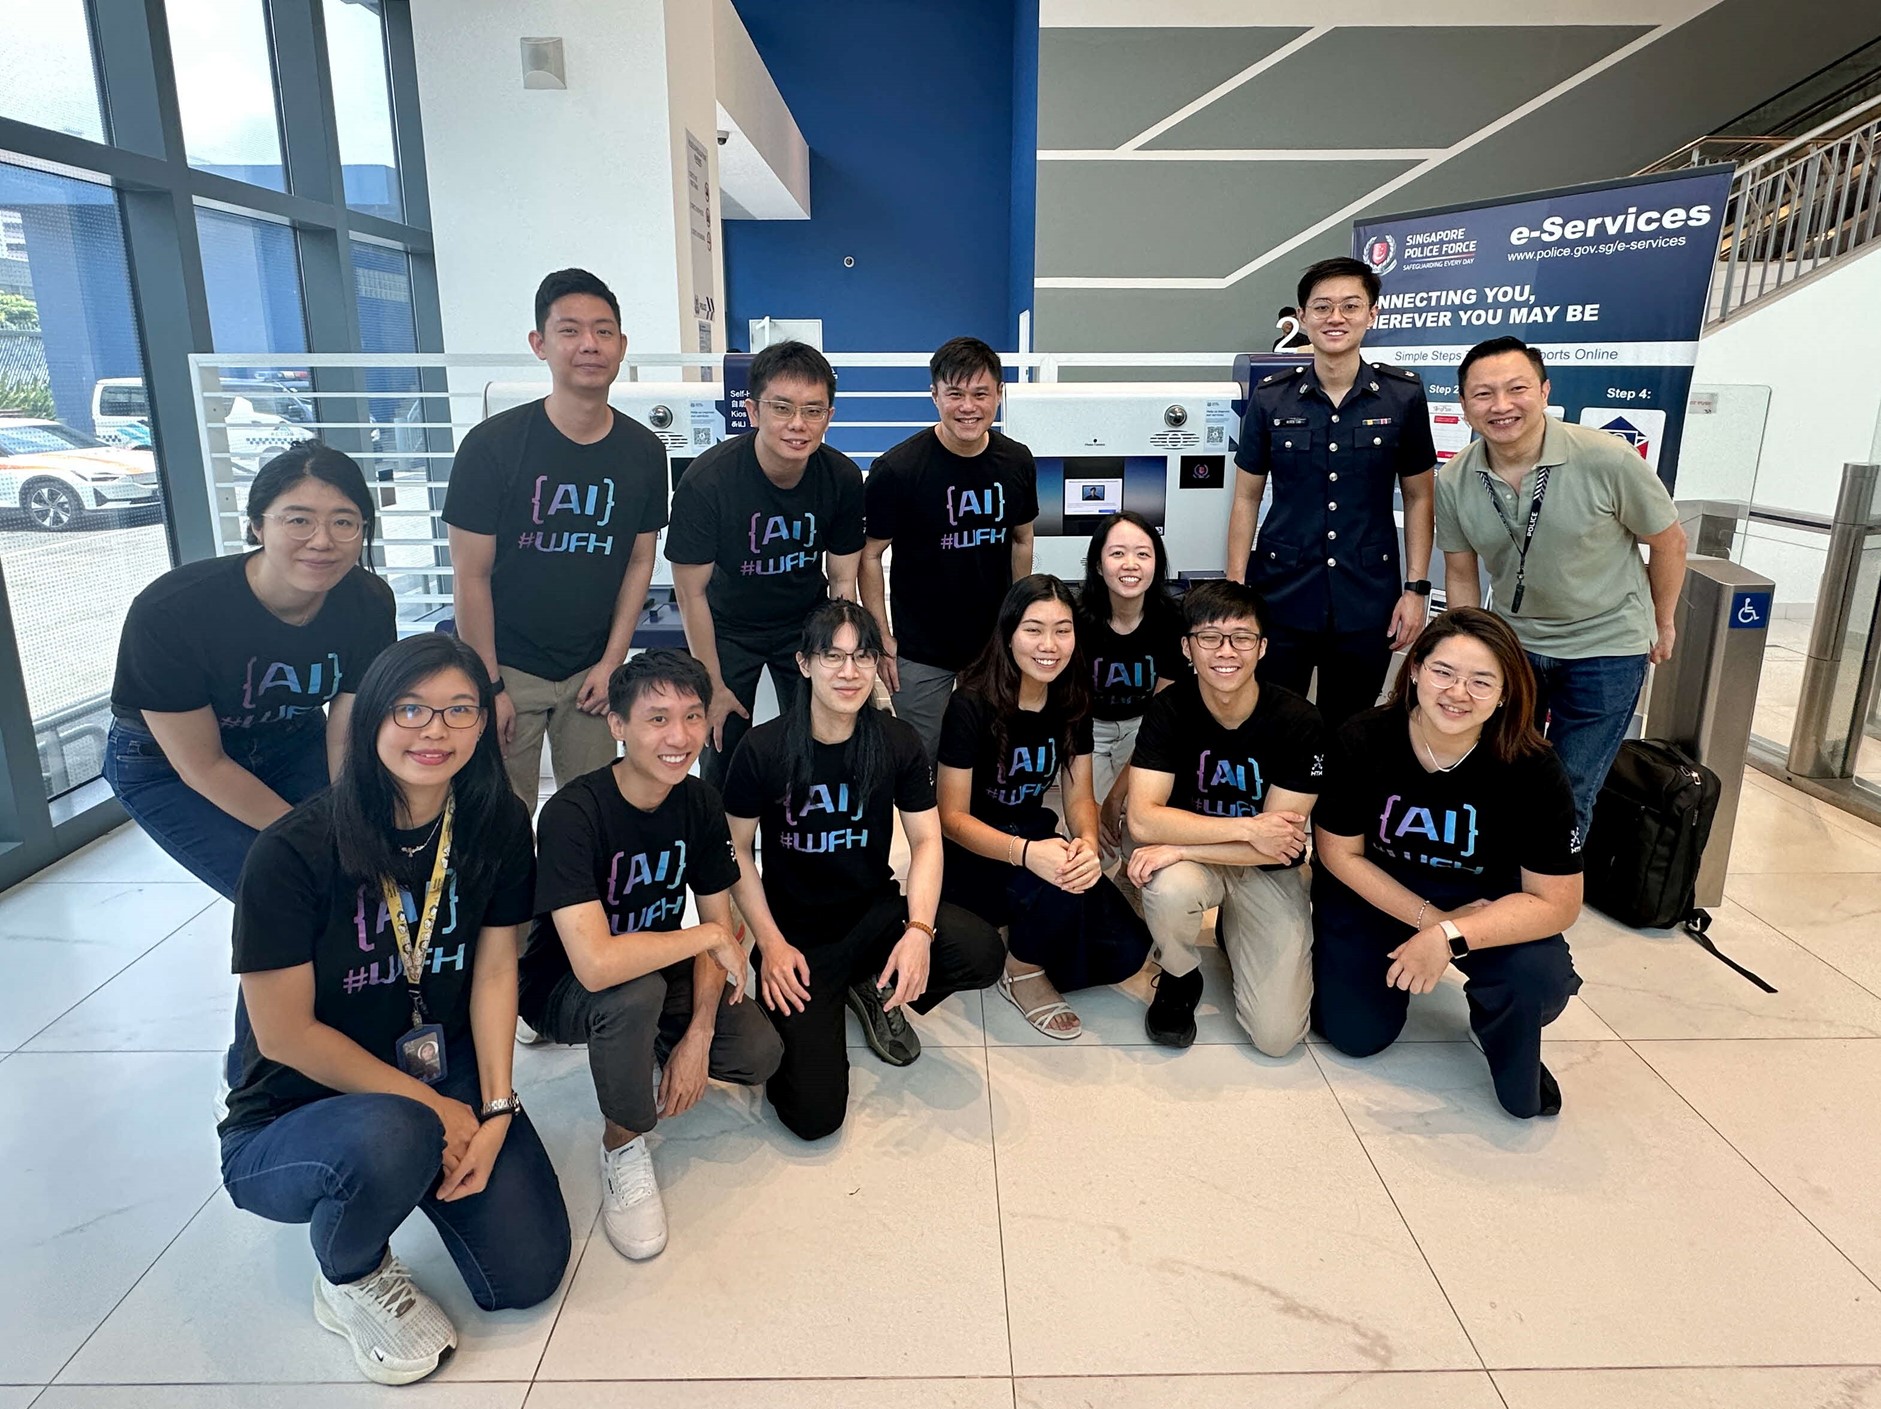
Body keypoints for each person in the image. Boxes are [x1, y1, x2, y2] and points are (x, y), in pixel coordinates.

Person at [218, 633, 568, 1386]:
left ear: (485, 723)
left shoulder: (495, 821)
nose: (433, 730)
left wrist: (497, 1104)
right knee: (395, 1130)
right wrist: (432, 1108)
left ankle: (406, 1153)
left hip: (441, 1063)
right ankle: (348, 1271)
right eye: (411, 708)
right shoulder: (293, 850)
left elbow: (498, 965)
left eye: (457, 710)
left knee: (526, 1274)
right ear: (372, 715)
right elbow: (282, 1032)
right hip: (294, 1104)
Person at [108, 441, 396, 1087]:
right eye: (298, 518)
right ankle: (254, 1090)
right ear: (256, 524)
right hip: (166, 764)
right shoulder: (175, 610)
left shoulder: (366, 602)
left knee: (346, 889)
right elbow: (202, 765)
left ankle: (334, 1046)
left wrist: (350, 818)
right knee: (284, 897)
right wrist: (311, 840)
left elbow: (347, 726)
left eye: (344, 521)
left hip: (293, 741)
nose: (322, 539)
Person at [518, 650, 781, 1262]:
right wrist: (708, 939)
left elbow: (719, 923)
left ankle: (649, 1043)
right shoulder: (571, 813)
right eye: (657, 719)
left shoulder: (697, 802)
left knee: (757, 1053)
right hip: (561, 985)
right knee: (631, 994)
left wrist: (697, 1035)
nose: (680, 737)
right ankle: (621, 1142)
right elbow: (596, 965)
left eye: (692, 717)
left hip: (652, 965)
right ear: (617, 725)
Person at [724, 601, 1004, 1140]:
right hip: (798, 940)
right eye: (832, 656)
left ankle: (875, 985)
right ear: (804, 664)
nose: (849, 672)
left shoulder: (895, 742)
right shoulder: (762, 749)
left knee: (981, 950)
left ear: (877, 664)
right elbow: (735, 850)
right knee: (814, 1118)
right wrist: (771, 944)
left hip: (873, 916)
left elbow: (925, 840)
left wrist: (919, 932)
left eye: (862, 657)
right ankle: (841, 994)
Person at [1311, 608, 1584, 1119]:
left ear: (1506, 692)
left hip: (1485, 908)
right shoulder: (1362, 738)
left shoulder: (1532, 766)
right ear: (1415, 669)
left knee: (1536, 983)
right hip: (1378, 898)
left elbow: (1559, 902)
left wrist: (1450, 936)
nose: (1458, 693)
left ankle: (1499, 1021)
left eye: (1482, 681)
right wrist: (1431, 922)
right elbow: (1337, 852)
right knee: (1355, 1035)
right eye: (1443, 672)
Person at [1435, 336, 1687, 838]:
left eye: (1517, 388)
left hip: (1607, 647)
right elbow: (1462, 572)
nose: (1501, 406)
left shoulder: (1606, 459)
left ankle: (1548, 906)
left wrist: (1662, 620)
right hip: (1515, 647)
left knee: (1572, 783)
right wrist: (1466, 648)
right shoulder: (1455, 479)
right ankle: (1500, 883)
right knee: (1503, 770)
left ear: (1545, 391)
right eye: (1483, 394)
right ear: (1464, 406)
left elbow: (1669, 541)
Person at [444, 267, 669, 804]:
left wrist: (613, 661)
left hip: (591, 672)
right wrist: (488, 685)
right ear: (539, 344)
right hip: (507, 669)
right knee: (501, 819)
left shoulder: (643, 450)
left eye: (603, 330)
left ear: (622, 345)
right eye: (569, 330)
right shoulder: (491, 446)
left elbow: (640, 561)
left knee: (589, 813)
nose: (589, 344)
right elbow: (470, 575)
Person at [1226, 256, 1438, 728]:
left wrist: (1416, 589)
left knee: (1352, 726)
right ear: (1302, 318)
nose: (1335, 318)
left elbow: (1421, 496)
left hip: (1368, 597)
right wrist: (1236, 588)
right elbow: (1246, 498)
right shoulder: (1271, 397)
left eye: (1349, 306)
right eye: (1322, 308)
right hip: (1281, 593)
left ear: (1372, 314)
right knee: (1274, 722)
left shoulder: (1402, 395)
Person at [937, 576, 1152, 1039]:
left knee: (1129, 951)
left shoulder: (1073, 699)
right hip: (974, 854)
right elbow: (951, 819)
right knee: (1053, 875)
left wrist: (1088, 845)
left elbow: (1078, 799)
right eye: (1034, 630)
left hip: (1033, 837)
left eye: (1063, 629)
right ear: (1009, 632)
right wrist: (1028, 854)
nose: (1049, 645)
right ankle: (1022, 970)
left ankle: (1024, 928)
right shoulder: (970, 704)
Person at [1125, 581, 1326, 1052]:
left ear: (1262, 648)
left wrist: (1180, 844)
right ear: (1187, 648)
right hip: (1203, 863)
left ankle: (1234, 930)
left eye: (1241, 638)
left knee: (1277, 1038)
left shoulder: (1300, 721)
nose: (1225, 651)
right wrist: (1247, 827)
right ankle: (1179, 975)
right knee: (1167, 886)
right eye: (1209, 637)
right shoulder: (1168, 710)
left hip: (1264, 870)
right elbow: (1143, 821)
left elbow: (1280, 845)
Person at [665, 340, 865, 789]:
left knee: (816, 743)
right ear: (754, 412)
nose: (798, 424)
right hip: (728, 628)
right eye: (783, 408)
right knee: (722, 745)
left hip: (804, 621)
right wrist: (712, 684)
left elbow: (842, 579)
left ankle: (799, 837)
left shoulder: (842, 477)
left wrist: (846, 657)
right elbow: (690, 592)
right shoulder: (707, 481)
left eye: (813, 411)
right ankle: (722, 848)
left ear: (829, 417)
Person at [860, 336, 1038, 754]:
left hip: (991, 644)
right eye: (954, 394)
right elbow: (870, 554)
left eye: (980, 394)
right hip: (921, 650)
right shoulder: (897, 469)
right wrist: (882, 636)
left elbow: (1022, 538)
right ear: (934, 395)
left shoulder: (1017, 462)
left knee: (991, 753)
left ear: (999, 394)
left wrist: (1017, 622)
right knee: (926, 758)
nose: (968, 407)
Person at [1076, 510, 1185, 866]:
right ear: (1097, 564)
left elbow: (1161, 714)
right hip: (1085, 730)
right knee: (1097, 848)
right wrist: (1092, 807)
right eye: (1117, 553)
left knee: (1140, 836)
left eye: (1143, 553)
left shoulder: (1172, 621)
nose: (1131, 564)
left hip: (1143, 728)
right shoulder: (1075, 620)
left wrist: (1114, 800)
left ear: (1157, 563)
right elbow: (1067, 710)